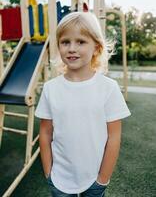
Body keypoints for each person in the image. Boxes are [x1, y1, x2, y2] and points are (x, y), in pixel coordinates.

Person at [35, 11, 131, 197]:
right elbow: (45, 133)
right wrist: (49, 172)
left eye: (80, 41)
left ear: (96, 47)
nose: (72, 48)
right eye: (65, 42)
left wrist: (102, 178)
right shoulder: (50, 88)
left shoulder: (108, 88)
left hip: (95, 179)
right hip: (59, 178)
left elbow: (114, 137)